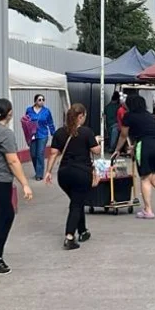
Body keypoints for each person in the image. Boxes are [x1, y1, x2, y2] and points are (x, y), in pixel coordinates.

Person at [0, 98, 34, 275]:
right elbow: (13, 160)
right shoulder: (5, 133)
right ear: (9, 113)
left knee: (6, 215)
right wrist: (25, 184)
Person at [46, 103, 102, 249]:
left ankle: (83, 231)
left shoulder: (59, 132)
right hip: (81, 172)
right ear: (80, 116)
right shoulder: (86, 132)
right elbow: (96, 151)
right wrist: (97, 140)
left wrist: (48, 172)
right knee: (76, 204)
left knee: (77, 201)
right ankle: (69, 236)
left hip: (64, 174)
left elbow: (53, 154)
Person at [117, 94, 155, 219]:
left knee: (145, 178)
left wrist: (117, 150)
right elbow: (148, 132)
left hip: (145, 146)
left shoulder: (128, 116)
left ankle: (148, 210)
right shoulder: (148, 115)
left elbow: (124, 135)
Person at [25, 94, 57, 181]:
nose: (41, 101)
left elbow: (50, 122)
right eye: (39, 100)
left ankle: (39, 174)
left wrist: (53, 133)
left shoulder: (46, 111)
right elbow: (26, 122)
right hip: (32, 135)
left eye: (43, 99)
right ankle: (37, 170)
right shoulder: (29, 110)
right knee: (33, 154)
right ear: (35, 101)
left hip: (43, 134)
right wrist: (27, 134)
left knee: (40, 153)